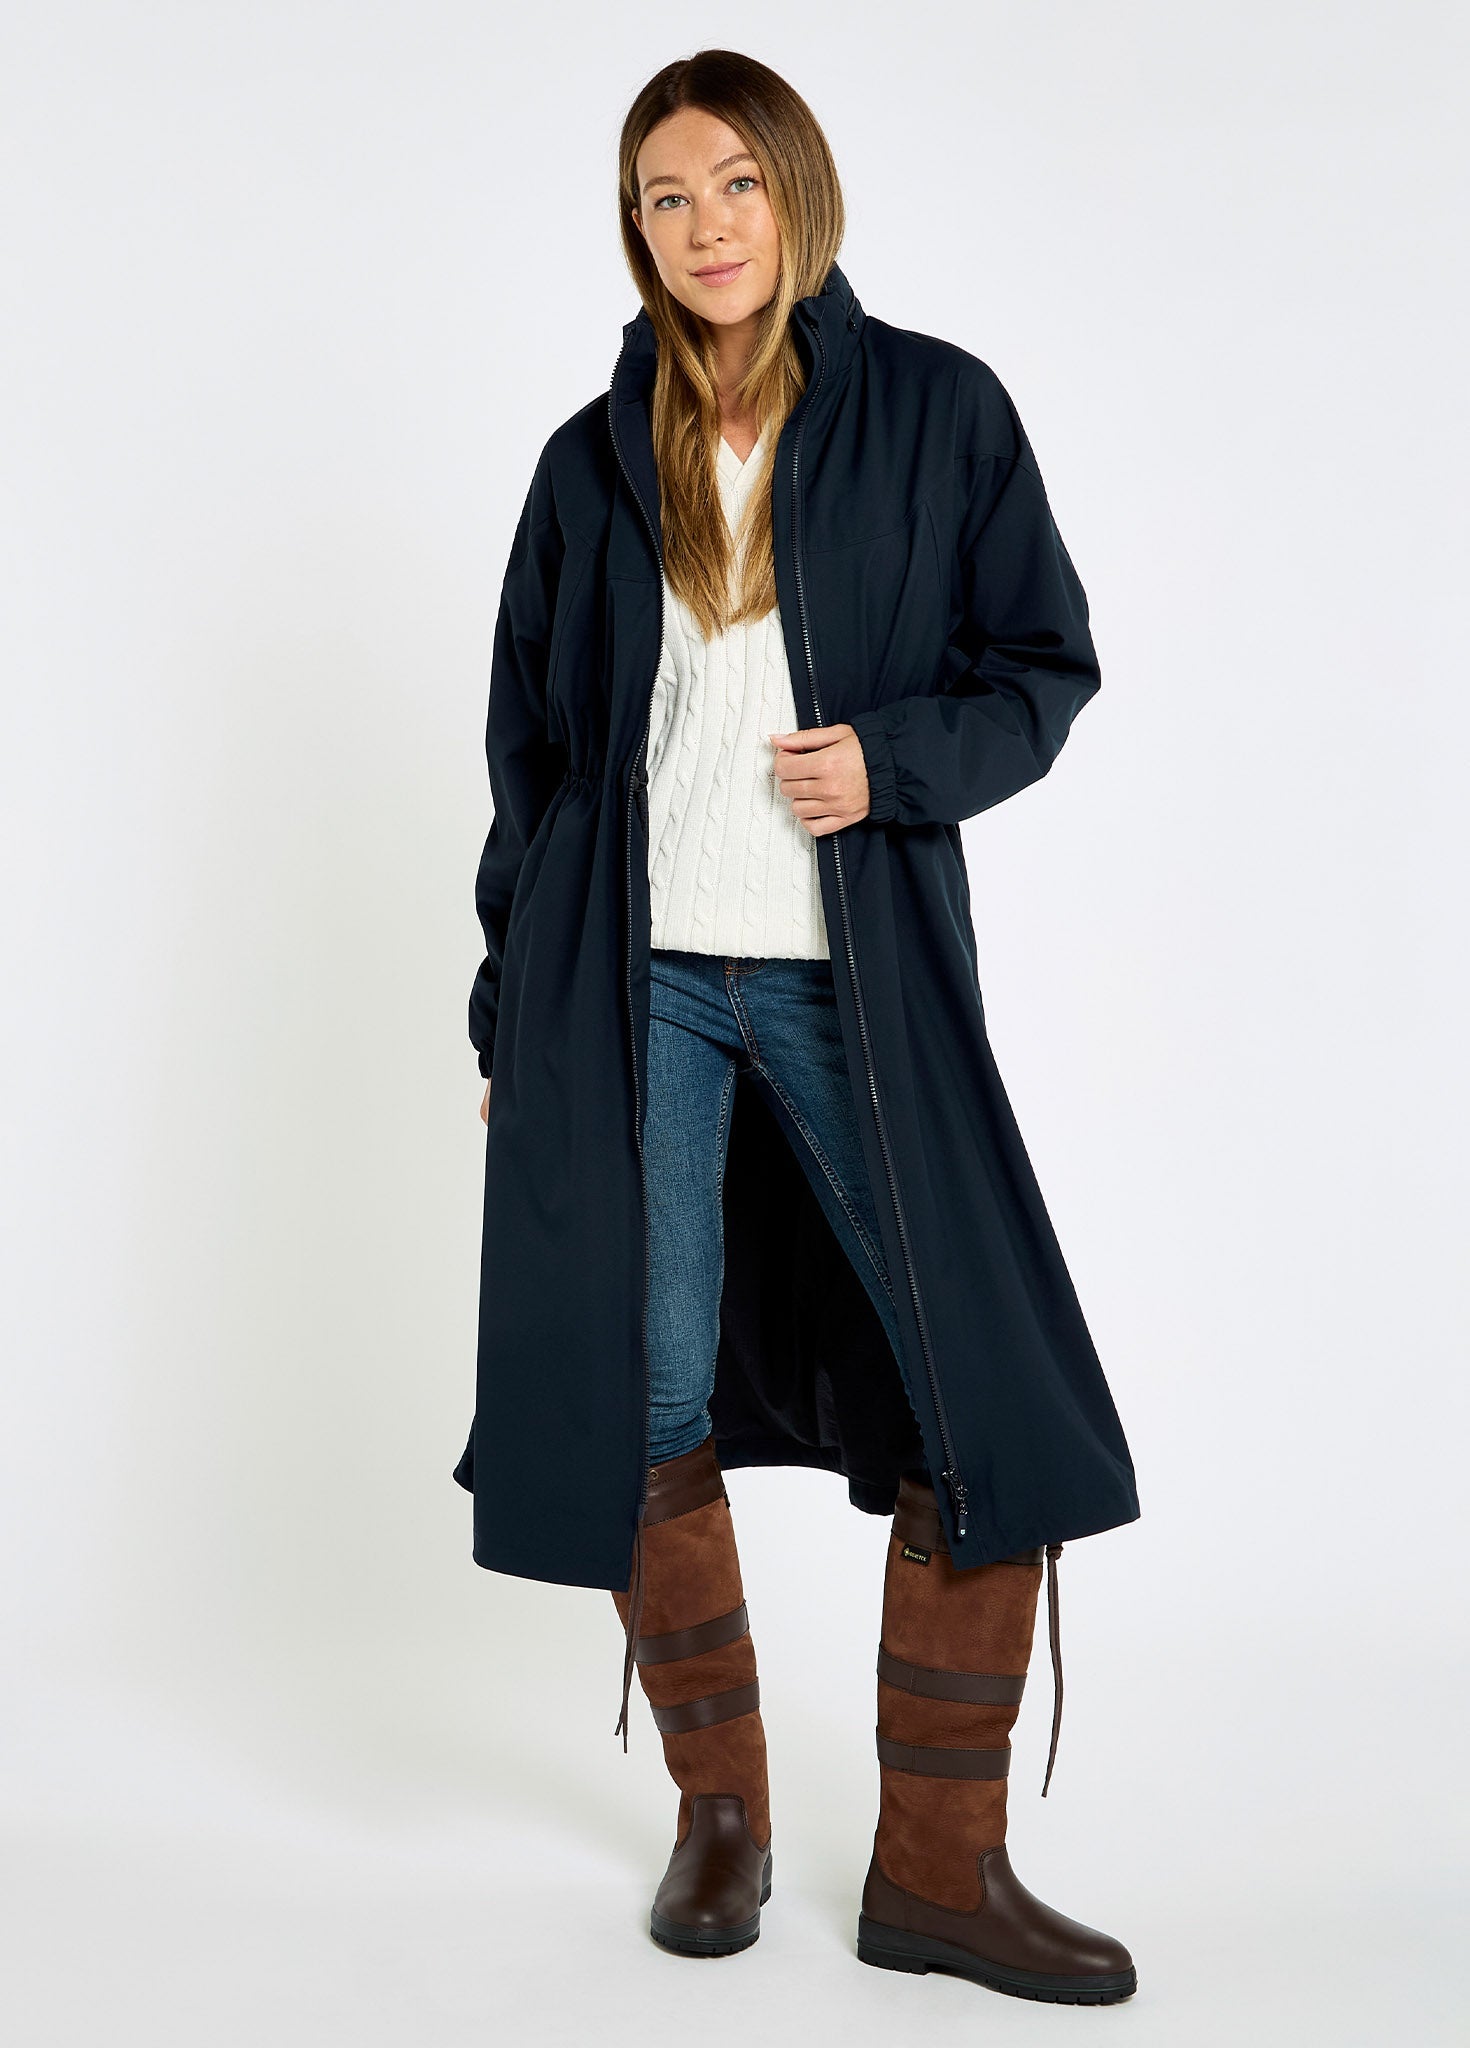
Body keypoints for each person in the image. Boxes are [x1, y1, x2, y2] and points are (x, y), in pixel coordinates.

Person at [457, 48, 1141, 2004]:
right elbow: (534, 766)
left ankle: (939, 1872)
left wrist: (894, 764)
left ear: (796, 190)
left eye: (733, 184)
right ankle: (723, 1818)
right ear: (635, 227)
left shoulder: (936, 412)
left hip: (856, 985)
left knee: (979, 1398)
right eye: (665, 197)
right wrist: (513, 1015)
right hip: (637, 991)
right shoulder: (592, 459)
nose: (704, 227)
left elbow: (1042, 664)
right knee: (644, 1391)